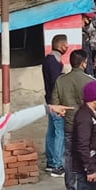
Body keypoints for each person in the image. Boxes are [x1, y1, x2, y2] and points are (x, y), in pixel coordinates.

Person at [51, 49, 94, 190]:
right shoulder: (90, 81)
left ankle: (70, 189)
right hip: (86, 125)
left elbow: (55, 104)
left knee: (69, 155)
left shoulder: (60, 81)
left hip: (69, 124)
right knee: (86, 153)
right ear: (84, 63)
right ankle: (85, 187)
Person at [42, 34, 68, 177]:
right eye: (65, 45)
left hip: (50, 100)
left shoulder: (50, 59)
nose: (67, 47)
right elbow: (56, 83)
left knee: (52, 131)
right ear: (59, 46)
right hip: (56, 102)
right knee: (59, 133)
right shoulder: (53, 61)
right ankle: (57, 165)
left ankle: (51, 162)